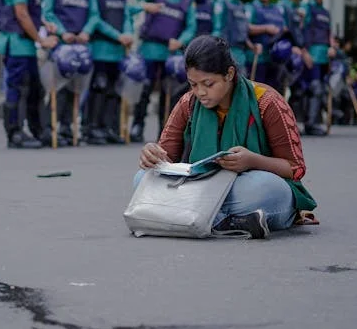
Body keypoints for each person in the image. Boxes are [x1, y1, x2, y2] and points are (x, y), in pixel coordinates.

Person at [136, 35, 317, 239]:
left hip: (244, 188)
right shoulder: (188, 102)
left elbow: (294, 168)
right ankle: (226, 222)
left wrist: (252, 161)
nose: (200, 92)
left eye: (208, 84)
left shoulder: (267, 101)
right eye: (193, 84)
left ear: (229, 74)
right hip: (201, 187)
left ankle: (188, 217)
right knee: (142, 178)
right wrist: (153, 156)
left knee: (269, 188)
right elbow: (167, 158)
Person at [0, 0, 58, 148]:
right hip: (17, 45)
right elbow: (21, 15)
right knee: (17, 89)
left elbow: (29, 11)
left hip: (26, 47)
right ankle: (15, 134)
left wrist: (45, 23)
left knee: (34, 90)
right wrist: (41, 39)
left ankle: (38, 132)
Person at [130, 0, 197, 143]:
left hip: (170, 53)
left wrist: (181, 41)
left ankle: (165, 131)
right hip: (150, 49)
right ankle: (137, 125)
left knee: (168, 93)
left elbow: (191, 26)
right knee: (145, 89)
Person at [41, 0, 96, 146]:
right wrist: (63, 33)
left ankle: (67, 128)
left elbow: (94, 14)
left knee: (77, 87)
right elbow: (47, 11)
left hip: (80, 44)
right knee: (58, 87)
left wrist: (86, 32)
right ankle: (51, 128)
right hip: (61, 43)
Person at [85, 0, 134, 145]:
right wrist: (118, 35)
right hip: (100, 49)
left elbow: (126, 17)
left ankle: (109, 127)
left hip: (118, 52)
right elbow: (95, 19)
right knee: (99, 87)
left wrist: (128, 33)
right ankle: (92, 128)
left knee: (114, 90)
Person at [300, 0, 334, 136]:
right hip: (311, 56)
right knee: (313, 89)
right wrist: (304, 51)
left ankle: (313, 122)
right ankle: (310, 124)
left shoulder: (326, 13)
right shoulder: (308, 8)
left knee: (320, 90)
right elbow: (301, 25)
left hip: (324, 57)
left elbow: (329, 34)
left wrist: (332, 47)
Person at [212, 0, 258, 77]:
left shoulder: (241, 5)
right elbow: (217, 29)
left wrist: (252, 46)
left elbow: (242, 30)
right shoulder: (222, 2)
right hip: (227, 53)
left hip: (240, 54)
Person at [246, 0, 285, 87]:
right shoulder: (251, 7)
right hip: (256, 58)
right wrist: (266, 28)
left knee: (272, 92)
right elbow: (246, 28)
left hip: (274, 58)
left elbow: (283, 28)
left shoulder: (276, 9)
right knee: (257, 93)